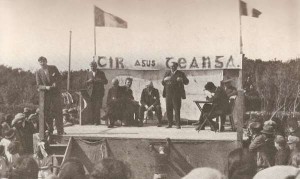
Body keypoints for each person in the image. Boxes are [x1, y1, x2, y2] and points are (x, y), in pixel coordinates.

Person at [35, 56, 64, 135]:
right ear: (39, 63)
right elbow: (38, 86)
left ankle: (60, 130)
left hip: (55, 94)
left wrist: (56, 82)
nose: (42, 63)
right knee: (47, 113)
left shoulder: (53, 68)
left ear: (46, 62)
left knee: (58, 112)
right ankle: (50, 129)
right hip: (46, 95)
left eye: (43, 61)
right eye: (40, 62)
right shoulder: (38, 72)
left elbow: (60, 78)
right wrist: (45, 87)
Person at [162, 62, 189, 129]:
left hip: (176, 94)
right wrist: (164, 80)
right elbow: (162, 82)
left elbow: (187, 82)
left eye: (174, 66)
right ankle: (169, 124)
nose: (172, 67)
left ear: (176, 66)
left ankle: (178, 124)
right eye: (171, 66)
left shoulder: (180, 73)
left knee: (177, 109)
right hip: (168, 94)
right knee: (169, 109)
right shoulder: (167, 73)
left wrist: (182, 80)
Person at [86, 61, 108, 125]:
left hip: (99, 93)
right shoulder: (88, 73)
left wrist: (99, 80)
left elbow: (106, 82)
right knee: (91, 107)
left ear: (96, 66)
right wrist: (88, 81)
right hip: (91, 93)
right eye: (91, 66)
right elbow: (85, 83)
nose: (92, 68)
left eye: (93, 66)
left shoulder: (101, 73)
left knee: (97, 107)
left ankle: (97, 121)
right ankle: (92, 121)